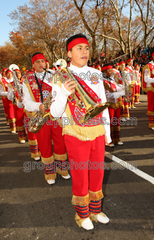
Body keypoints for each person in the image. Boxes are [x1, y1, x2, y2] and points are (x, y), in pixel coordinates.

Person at [50, 34, 111, 230]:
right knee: (80, 174)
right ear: (69, 53)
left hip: (97, 131)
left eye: (86, 48)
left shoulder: (95, 73)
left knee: (97, 172)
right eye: (79, 48)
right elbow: (54, 112)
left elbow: (103, 104)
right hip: (75, 133)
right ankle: (82, 214)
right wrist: (64, 93)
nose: (84, 51)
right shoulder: (59, 76)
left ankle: (95, 210)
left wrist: (107, 132)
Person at [23, 53, 70, 184]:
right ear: (33, 65)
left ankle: (62, 169)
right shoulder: (27, 80)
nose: (41, 64)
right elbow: (26, 102)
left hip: (56, 115)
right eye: (37, 62)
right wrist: (39, 106)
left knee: (61, 142)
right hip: (41, 116)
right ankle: (50, 173)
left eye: (42, 61)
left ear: (46, 63)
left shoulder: (54, 75)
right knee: (44, 145)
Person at [102, 64, 125, 147]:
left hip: (116, 103)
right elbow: (108, 95)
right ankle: (109, 140)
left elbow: (117, 87)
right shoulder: (103, 82)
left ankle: (117, 138)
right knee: (110, 122)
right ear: (105, 72)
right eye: (110, 71)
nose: (112, 72)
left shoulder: (112, 79)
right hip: (109, 105)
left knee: (116, 121)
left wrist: (124, 87)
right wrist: (121, 93)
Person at [142, 46, 154, 130]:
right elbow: (146, 79)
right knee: (152, 106)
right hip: (152, 88)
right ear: (153, 56)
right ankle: (152, 124)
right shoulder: (148, 66)